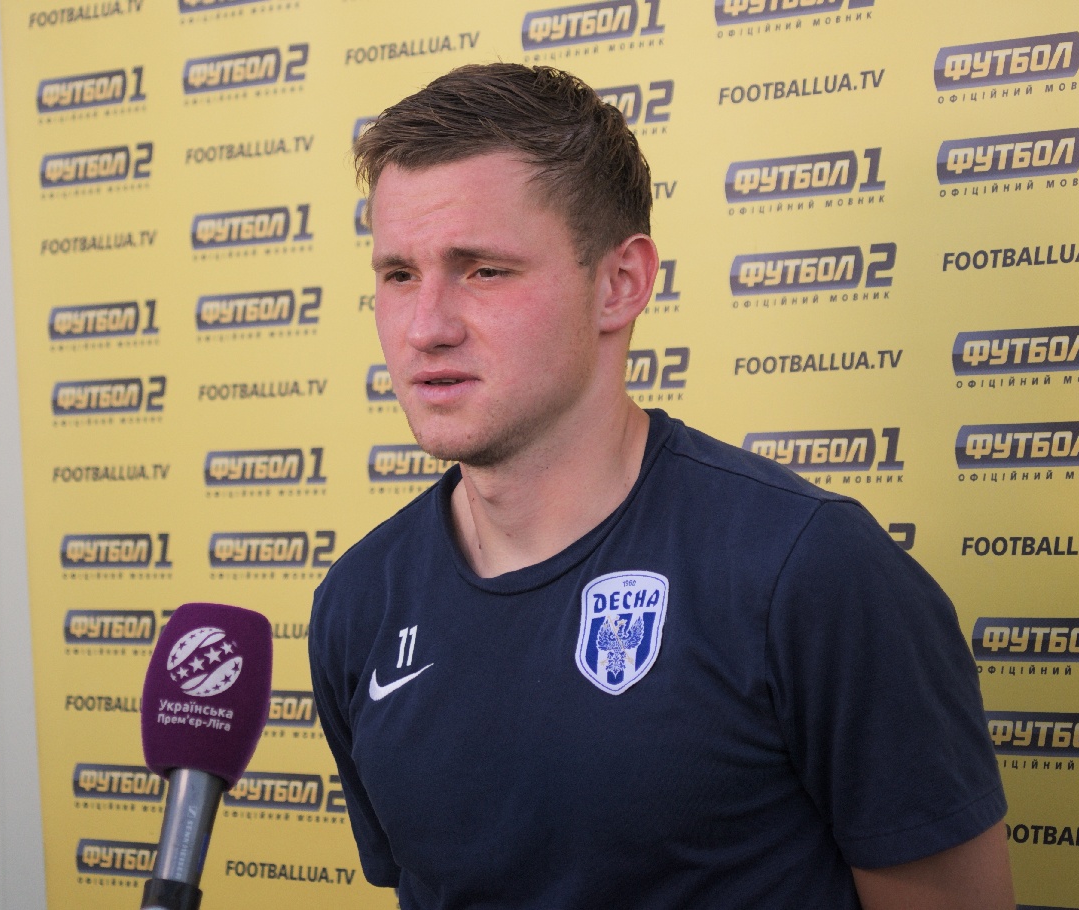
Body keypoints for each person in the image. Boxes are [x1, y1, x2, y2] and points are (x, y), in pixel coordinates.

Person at [308, 62, 1013, 910]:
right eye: (397, 275)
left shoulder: (809, 571)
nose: (425, 326)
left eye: (483, 270)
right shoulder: (358, 601)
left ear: (620, 284)